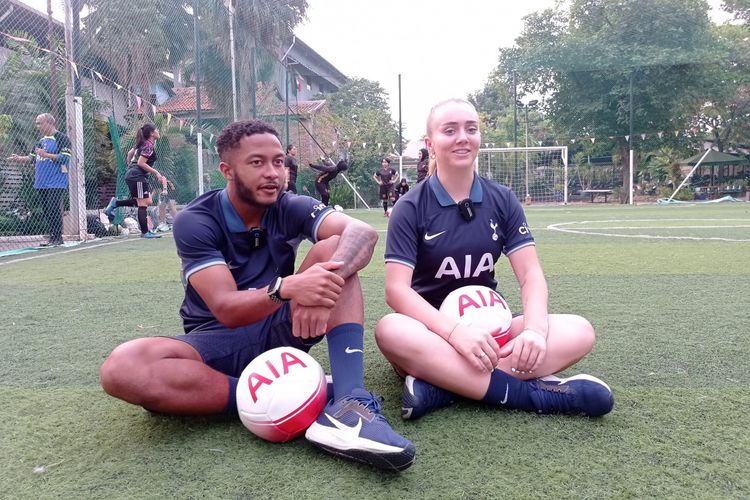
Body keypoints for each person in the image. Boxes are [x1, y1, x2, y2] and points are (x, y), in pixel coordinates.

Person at [99, 120, 414, 472]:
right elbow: (226, 309)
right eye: (257, 163)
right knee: (123, 367)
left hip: (284, 327)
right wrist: (289, 288)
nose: (273, 173)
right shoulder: (196, 220)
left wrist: (320, 284)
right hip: (217, 342)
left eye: (279, 162)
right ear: (227, 170)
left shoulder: (289, 205)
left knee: (338, 249)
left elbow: (362, 233)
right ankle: (277, 396)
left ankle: (349, 402)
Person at [374, 98, 614, 421]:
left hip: (492, 333)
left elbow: (530, 275)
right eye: (450, 130)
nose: (463, 137)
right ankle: (531, 396)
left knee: (580, 332)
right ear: (431, 144)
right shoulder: (410, 206)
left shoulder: (502, 199)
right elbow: (396, 292)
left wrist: (533, 331)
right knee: (390, 330)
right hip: (431, 336)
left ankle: (443, 387)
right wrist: (455, 333)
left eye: (471, 129)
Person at [6, 113, 71, 246]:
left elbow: (65, 158)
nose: (37, 126)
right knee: (47, 210)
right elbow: (32, 157)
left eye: (40, 123)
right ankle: (52, 237)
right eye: (37, 123)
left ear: (49, 122)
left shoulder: (62, 138)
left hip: (56, 181)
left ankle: (58, 238)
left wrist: (46, 154)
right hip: (41, 182)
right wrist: (19, 158)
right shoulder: (40, 141)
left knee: (53, 208)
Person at [103, 123, 165, 239]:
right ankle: (145, 232)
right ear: (152, 133)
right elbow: (141, 163)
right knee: (143, 204)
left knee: (148, 201)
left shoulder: (143, 144)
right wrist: (156, 172)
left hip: (134, 175)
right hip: (137, 176)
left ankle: (116, 203)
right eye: (156, 130)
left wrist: (130, 165)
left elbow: (129, 154)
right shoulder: (148, 146)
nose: (158, 132)